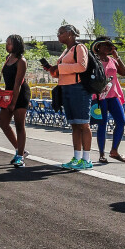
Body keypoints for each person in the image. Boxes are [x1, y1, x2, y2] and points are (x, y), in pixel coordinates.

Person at [43, 24, 93, 170]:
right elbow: (62, 71)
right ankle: (77, 157)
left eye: (60, 33)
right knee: (74, 125)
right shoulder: (66, 51)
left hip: (79, 89)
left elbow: (82, 66)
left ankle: (87, 159)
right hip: (66, 88)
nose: (58, 36)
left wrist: (60, 68)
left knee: (83, 124)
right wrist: (53, 70)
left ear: (69, 34)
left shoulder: (80, 48)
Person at [92, 37, 125, 164]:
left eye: (110, 46)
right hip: (100, 97)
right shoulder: (94, 61)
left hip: (113, 95)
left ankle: (114, 151)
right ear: (98, 47)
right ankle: (102, 154)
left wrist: (116, 55)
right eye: (105, 45)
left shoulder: (112, 60)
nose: (108, 47)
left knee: (121, 122)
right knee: (102, 124)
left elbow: (124, 73)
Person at [0, 35, 31, 167]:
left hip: (20, 94)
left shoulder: (21, 61)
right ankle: (20, 150)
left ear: (16, 45)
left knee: (19, 125)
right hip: (8, 94)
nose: (7, 45)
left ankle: (19, 157)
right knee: (3, 123)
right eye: (6, 43)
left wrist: (13, 103)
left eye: (9, 43)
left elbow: (17, 84)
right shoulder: (8, 58)